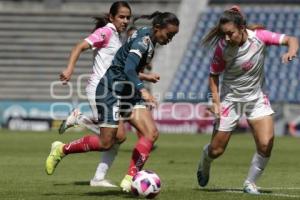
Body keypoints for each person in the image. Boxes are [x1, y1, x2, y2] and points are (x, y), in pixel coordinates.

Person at [46, 11, 180, 193]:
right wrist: (143, 89)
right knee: (106, 143)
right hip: (111, 90)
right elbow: (129, 69)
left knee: (151, 133)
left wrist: (144, 78)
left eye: (174, 35)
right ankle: (62, 149)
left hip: (127, 91)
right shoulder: (143, 42)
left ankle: (130, 178)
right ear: (157, 28)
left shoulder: (149, 38)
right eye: (169, 34)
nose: (170, 39)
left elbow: (127, 66)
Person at [196, 5, 298, 195]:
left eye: (230, 33)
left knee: (266, 144)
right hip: (230, 101)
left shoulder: (259, 36)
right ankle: (205, 159)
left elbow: (291, 39)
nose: (226, 38)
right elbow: (213, 76)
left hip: (257, 98)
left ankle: (250, 183)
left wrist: (291, 51)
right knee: (216, 151)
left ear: (242, 29)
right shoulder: (222, 48)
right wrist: (216, 103)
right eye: (223, 34)